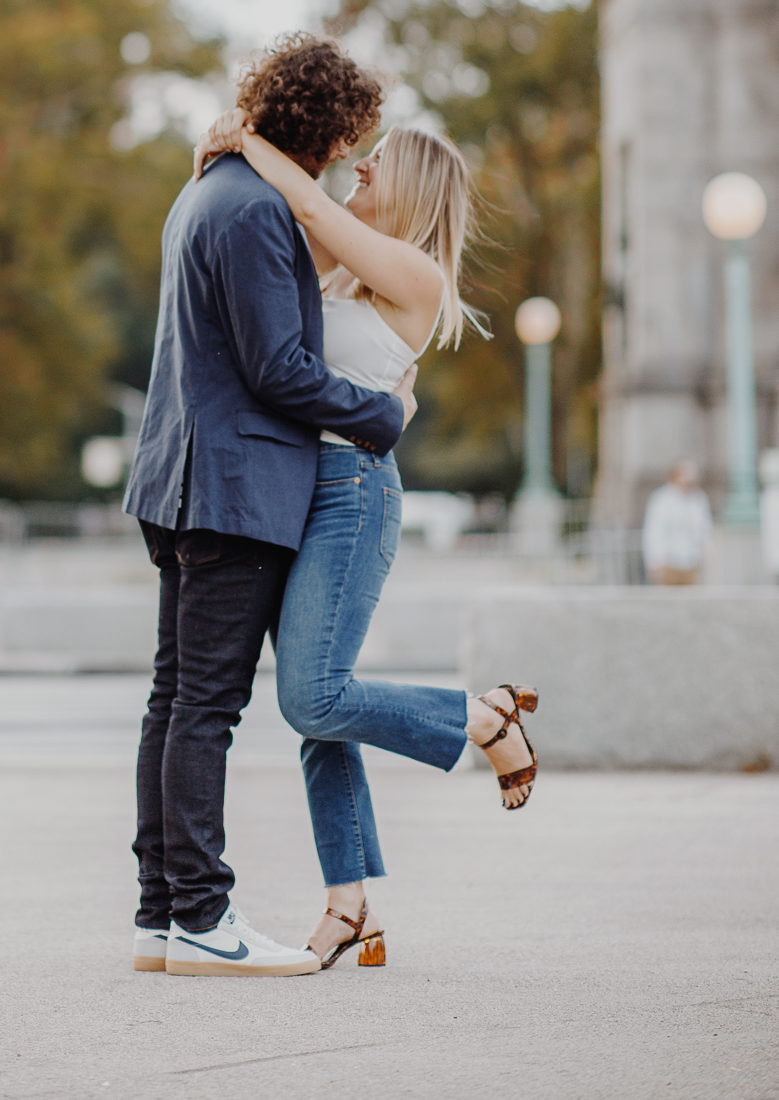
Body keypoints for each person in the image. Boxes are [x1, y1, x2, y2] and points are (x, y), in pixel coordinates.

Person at [193, 107, 540, 972]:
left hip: (349, 494)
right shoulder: (343, 273)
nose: (357, 168)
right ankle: (348, 904)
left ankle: (481, 717)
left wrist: (251, 138)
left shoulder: (414, 273)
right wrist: (210, 159)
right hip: (294, 491)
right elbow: (267, 256)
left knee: (311, 696)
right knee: (324, 710)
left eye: (375, 162)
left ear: (411, 184)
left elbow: (306, 206)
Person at [122, 35, 416, 978]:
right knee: (204, 707)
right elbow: (277, 370)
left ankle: (162, 916)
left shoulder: (204, 189)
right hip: (233, 489)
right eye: (352, 133)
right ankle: (204, 917)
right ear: (329, 129)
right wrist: (383, 414)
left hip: (182, 476)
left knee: (175, 701)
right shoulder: (254, 211)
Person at [642, 462, 712, 585]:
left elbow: (704, 529)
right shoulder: (661, 499)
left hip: (691, 562)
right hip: (668, 563)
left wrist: (703, 556)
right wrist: (655, 561)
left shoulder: (698, 499)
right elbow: (654, 532)